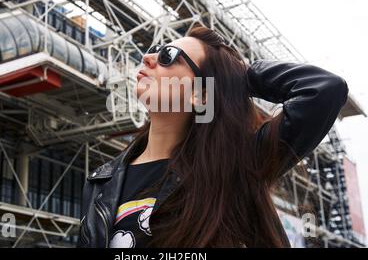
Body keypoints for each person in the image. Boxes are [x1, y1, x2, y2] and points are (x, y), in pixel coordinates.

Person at [77, 25, 349, 248]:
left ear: (201, 94)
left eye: (168, 56)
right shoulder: (103, 181)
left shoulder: (234, 166)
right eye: (153, 51)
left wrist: (237, 74)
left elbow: (324, 90)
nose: (148, 58)